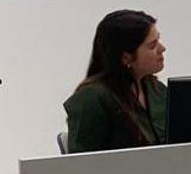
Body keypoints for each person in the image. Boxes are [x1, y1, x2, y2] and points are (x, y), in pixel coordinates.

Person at [64, 10, 167, 153]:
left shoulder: (157, 89)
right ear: (126, 57)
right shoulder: (92, 99)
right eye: (152, 45)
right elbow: (83, 164)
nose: (162, 49)